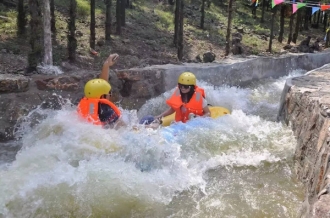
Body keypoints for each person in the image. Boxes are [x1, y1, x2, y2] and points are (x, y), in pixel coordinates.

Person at [77, 53, 126, 129]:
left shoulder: (87, 104)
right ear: (103, 96)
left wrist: (106, 65)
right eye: (109, 92)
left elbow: (101, 86)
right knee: (149, 119)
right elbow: (126, 128)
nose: (110, 94)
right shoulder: (107, 111)